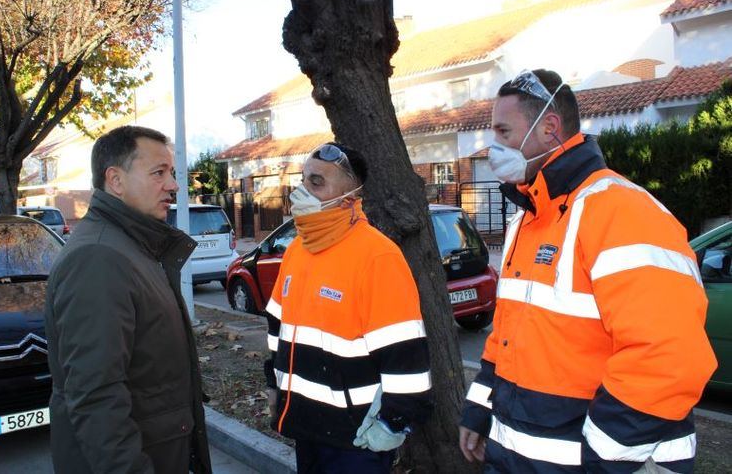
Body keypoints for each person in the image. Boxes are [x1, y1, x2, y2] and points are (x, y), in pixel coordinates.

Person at [459, 69, 717, 472]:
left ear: (549, 128)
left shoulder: (622, 212)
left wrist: (600, 458)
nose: (494, 147)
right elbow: (505, 339)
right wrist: (478, 412)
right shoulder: (527, 220)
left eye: (503, 132)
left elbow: (668, 358)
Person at [45, 126, 212, 474]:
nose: (173, 185)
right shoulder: (98, 258)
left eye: (171, 173)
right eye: (158, 173)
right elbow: (96, 397)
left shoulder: (131, 246)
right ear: (116, 181)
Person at [264, 142, 432, 473]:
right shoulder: (297, 250)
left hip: (356, 441)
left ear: (350, 195)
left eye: (317, 182)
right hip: (304, 426)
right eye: (303, 181)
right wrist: (274, 386)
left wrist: (393, 424)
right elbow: (277, 328)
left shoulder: (377, 257)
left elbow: (407, 354)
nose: (302, 192)